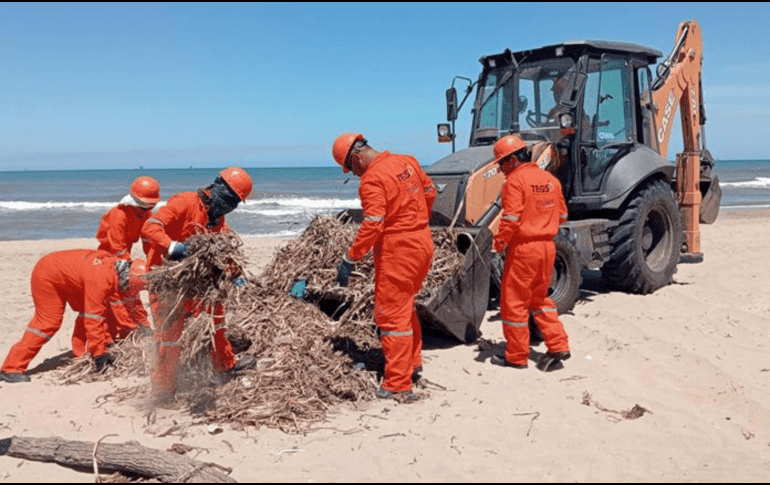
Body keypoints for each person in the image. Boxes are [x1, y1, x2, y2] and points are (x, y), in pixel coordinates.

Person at [331, 133, 436, 401]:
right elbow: (429, 191)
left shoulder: (371, 180)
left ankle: (398, 384)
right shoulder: (406, 161)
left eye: (350, 168)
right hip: (423, 243)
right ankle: (413, 365)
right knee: (406, 307)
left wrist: (350, 257)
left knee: (391, 317)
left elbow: (373, 224)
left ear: (356, 157)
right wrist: (417, 219)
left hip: (399, 251)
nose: (353, 174)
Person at [140, 167, 256, 400]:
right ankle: (164, 389)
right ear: (218, 189)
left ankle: (224, 365)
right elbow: (150, 227)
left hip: (196, 285)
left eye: (235, 202)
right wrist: (173, 247)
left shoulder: (217, 220)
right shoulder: (184, 202)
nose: (231, 206)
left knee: (216, 319)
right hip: (166, 282)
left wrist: (236, 273)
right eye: (230, 199)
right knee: (170, 338)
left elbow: (224, 250)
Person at [490, 134, 571, 372]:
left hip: (525, 248)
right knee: (540, 299)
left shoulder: (515, 182)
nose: (501, 170)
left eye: (502, 163)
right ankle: (558, 344)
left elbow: (511, 219)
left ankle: (516, 357)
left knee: (514, 303)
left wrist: (499, 243)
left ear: (513, 160)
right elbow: (563, 216)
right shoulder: (549, 179)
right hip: (548, 246)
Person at [0, 249, 141, 383]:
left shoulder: (119, 268)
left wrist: (139, 328)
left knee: (96, 309)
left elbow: (122, 306)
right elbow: (93, 320)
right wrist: (100, 356)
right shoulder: (101, 280)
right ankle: (11, 368)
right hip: (48, 274)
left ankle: (80, 353)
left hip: (70, 275)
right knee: (48, 323)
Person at [70, 176, 162, 352]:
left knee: (129, 292)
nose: (149, 207)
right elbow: (116, 246)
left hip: (122, 255)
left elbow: (148, 242)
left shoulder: (145, 214)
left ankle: (134, 330)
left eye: (151, 205)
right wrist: (126, 265)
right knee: (118, 296)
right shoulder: (118, 214)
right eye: (146, 204)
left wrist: (155, 261)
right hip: (107, 257)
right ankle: (130, 332)